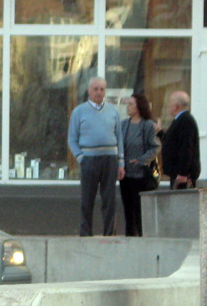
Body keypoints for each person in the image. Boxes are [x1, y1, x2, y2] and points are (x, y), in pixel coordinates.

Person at [67, 77, 125, 236]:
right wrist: (81, 158)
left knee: (109, 199)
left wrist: (121, 162)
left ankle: (109, 234)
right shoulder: (79, 112)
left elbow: (119, 137)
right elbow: (72, 139)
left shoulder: (113, 111)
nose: (99, 92)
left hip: (110, 159)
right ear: (89, 91)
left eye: (102, 89)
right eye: (96, 89)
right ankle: (85, 234)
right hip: (89, 160)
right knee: (87, 200)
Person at [119, 92, 160, 237]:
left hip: (140, 175)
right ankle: (129, 238)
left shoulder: (147, 125)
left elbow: (155, 146)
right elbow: (118, 145)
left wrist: (142, 160)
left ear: (139, 106)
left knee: (139, 211)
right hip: (125, 175)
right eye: (127, 104)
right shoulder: (124, 124)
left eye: (131, 104)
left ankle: (142, 238)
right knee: (128, 211)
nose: (127, 107)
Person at [159, 90, 200, 189]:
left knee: (181, 202)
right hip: (177, 173)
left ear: (176, 106)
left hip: (182, 176)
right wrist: (160, 133)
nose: (168, 107)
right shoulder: (179, 119)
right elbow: (172, 142)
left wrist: (183, 173)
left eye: (169, 104)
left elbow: (186, 148)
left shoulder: (186, 120)